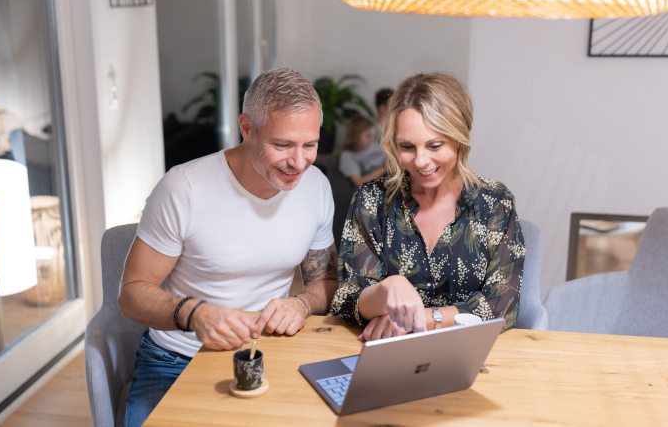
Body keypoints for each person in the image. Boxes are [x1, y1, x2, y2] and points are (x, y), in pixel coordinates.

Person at [118, 68, 339, 427]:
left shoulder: (316, 187)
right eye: (282, 145)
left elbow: (326, 282)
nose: (299, 162)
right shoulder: (183, 188)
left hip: (266, 353)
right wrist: (196, 314)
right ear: (247, 128)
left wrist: (301, 304)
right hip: (177, 358)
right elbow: (131, 293)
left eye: (309, 145)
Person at [330, 73, 525, 341]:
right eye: (407, 146)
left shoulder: (495, 203)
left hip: (469, 353)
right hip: (387, 352)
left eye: (435, 145)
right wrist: (388, 289)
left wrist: (421, 319)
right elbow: (349, 297)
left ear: (459, 138)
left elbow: (502, 304)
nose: (421, 161)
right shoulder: (371, 200)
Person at [338, 114, 387, 186]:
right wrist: (384, 168)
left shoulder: (374, 145)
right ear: (356, 135)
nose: (372, 140)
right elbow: (358, 182)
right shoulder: (348, 156)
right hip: (380, 183)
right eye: (368, 136)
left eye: (373, 135)